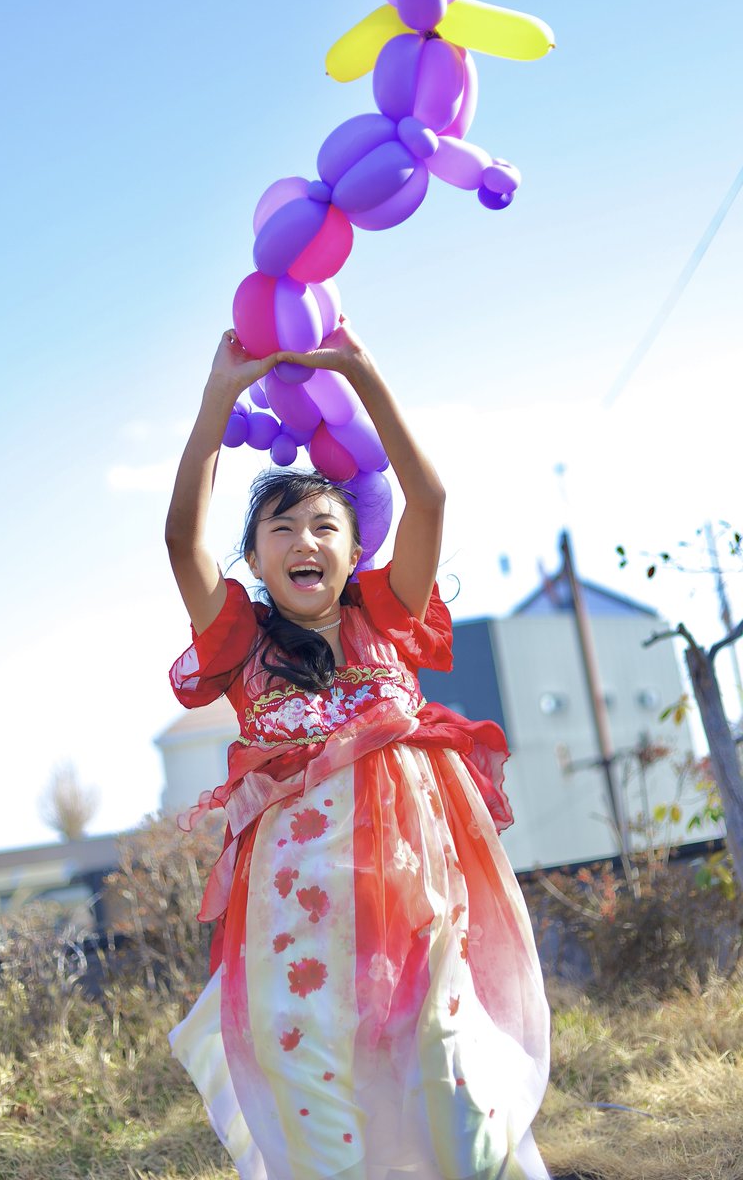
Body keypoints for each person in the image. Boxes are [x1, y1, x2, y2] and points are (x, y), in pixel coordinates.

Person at [165, 320, 550, 1180]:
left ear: (353, 549)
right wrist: (219, 394)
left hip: (411, 907)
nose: (306, 540)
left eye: (325, 525)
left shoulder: (386, 614)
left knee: (445, 1084)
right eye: (282, 528)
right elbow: (179, 537)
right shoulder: (237, 640)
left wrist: (363, 371)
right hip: (291, 922)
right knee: (313, 1094)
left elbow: (433, 499)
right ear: (256, 560)